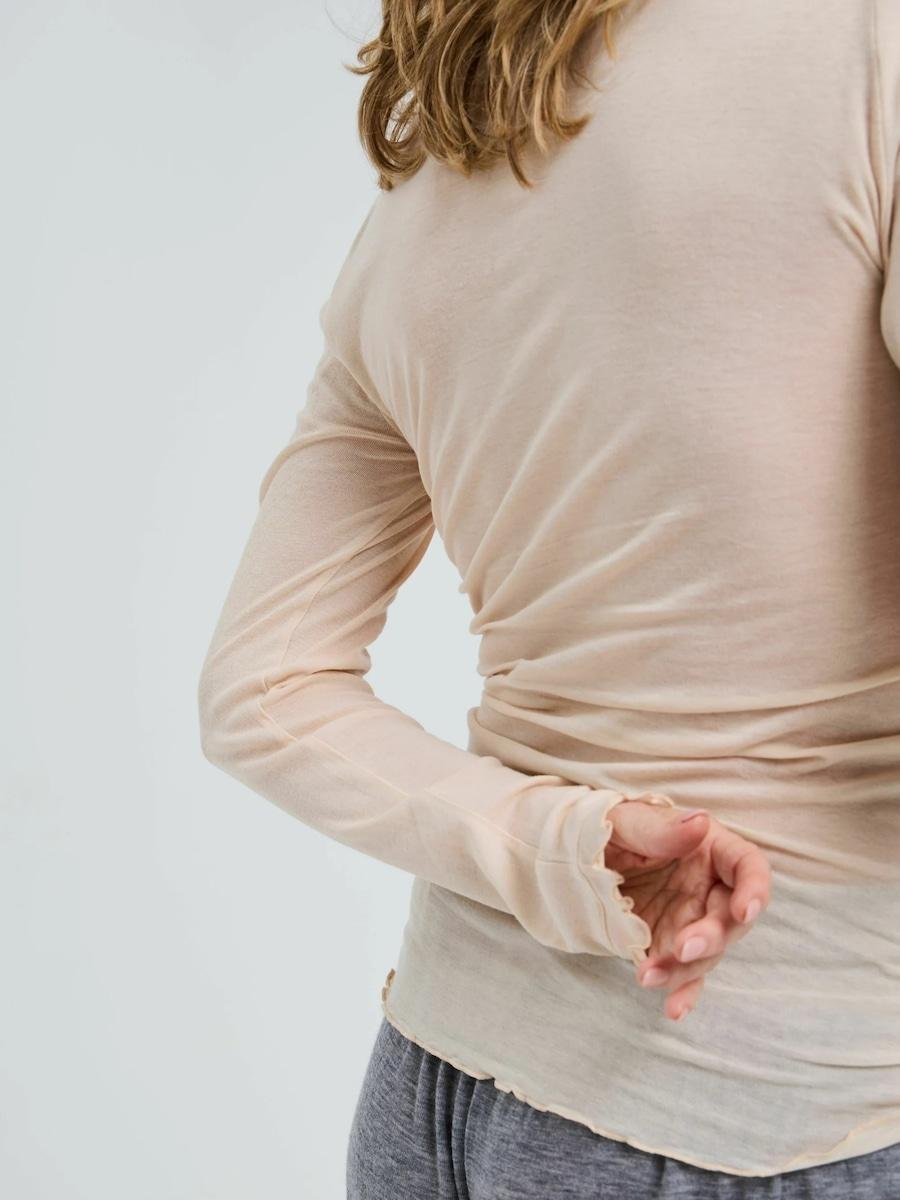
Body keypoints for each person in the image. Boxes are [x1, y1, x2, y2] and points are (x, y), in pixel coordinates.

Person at [196, 0, 900, 1194]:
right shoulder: (868, 50)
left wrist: (563, 848)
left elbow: (260, 692)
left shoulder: (420, 194)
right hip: (765, 1104)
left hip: (430, 1090)